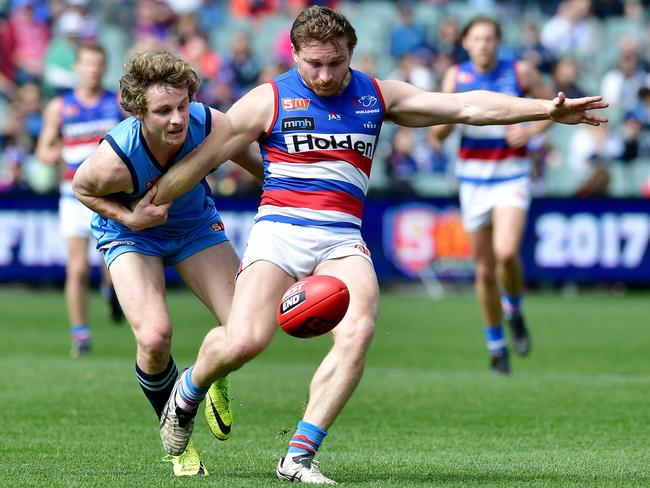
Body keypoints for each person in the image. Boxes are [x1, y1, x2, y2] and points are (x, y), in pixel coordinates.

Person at [149, 6, 606, 483]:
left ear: (352, 54)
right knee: (245, 340)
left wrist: (546, 110)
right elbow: (202, 160)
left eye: (336, 62)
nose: (325, 75)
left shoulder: (375, 95)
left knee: (359, 330)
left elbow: (465, 107)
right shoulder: (267, 100)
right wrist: (149, 203)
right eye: (314, 63)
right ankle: (189, 390)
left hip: (341, 239)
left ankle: (299, 456)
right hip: (278, 232)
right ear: (295, 55)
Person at [71, 51, 263, 476]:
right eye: (163, 111)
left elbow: (246, 154)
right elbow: (82, 188)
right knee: (155, 338)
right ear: (138, 110)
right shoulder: (116, 158)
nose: (177, 119)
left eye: (182, 105)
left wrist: (287, 183)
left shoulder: (206, 121)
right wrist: (129, 216)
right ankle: (180, 444)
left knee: (246, 329)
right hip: (131, 234)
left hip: (194, 226)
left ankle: (208, 376)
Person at [430, 16, 560, 375]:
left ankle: (514, 310)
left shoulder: (520, 72)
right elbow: (436, 134)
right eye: (477, 38)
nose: (484, 44)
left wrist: (531, 131)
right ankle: (496, 346)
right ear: (467, 43)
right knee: (484, 271)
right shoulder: (456, 77)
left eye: (490, 38)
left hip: (511, 175)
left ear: (498, 41)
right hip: (473, 180)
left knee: (506, 252)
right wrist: (442, 127)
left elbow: (555, 107)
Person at [36, 43, 124, 358]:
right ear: (77, 67)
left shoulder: (116, 103)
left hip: (110, 194)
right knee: (77, 269)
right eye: (88, 63)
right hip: (73, 196)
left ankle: (111, 294)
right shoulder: (60, 107)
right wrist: (64, 152)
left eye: (99, 63)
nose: (93, 69)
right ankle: (80, 334)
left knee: (112, 267)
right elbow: (43, 151)